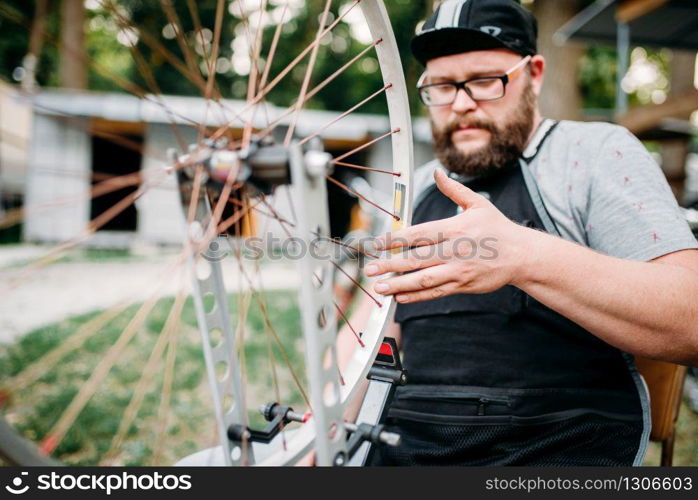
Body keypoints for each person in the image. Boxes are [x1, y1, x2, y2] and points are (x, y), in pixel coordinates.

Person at [343, 0, 698, 466]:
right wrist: (318, 435)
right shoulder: (415, 188)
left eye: (485, 81)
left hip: (551, 452)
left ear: (533, 73)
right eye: (443, 86)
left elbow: (690, 317)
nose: (462, 103)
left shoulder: (591, 155)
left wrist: (523, 257)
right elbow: (364, 339)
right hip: (408, 449)